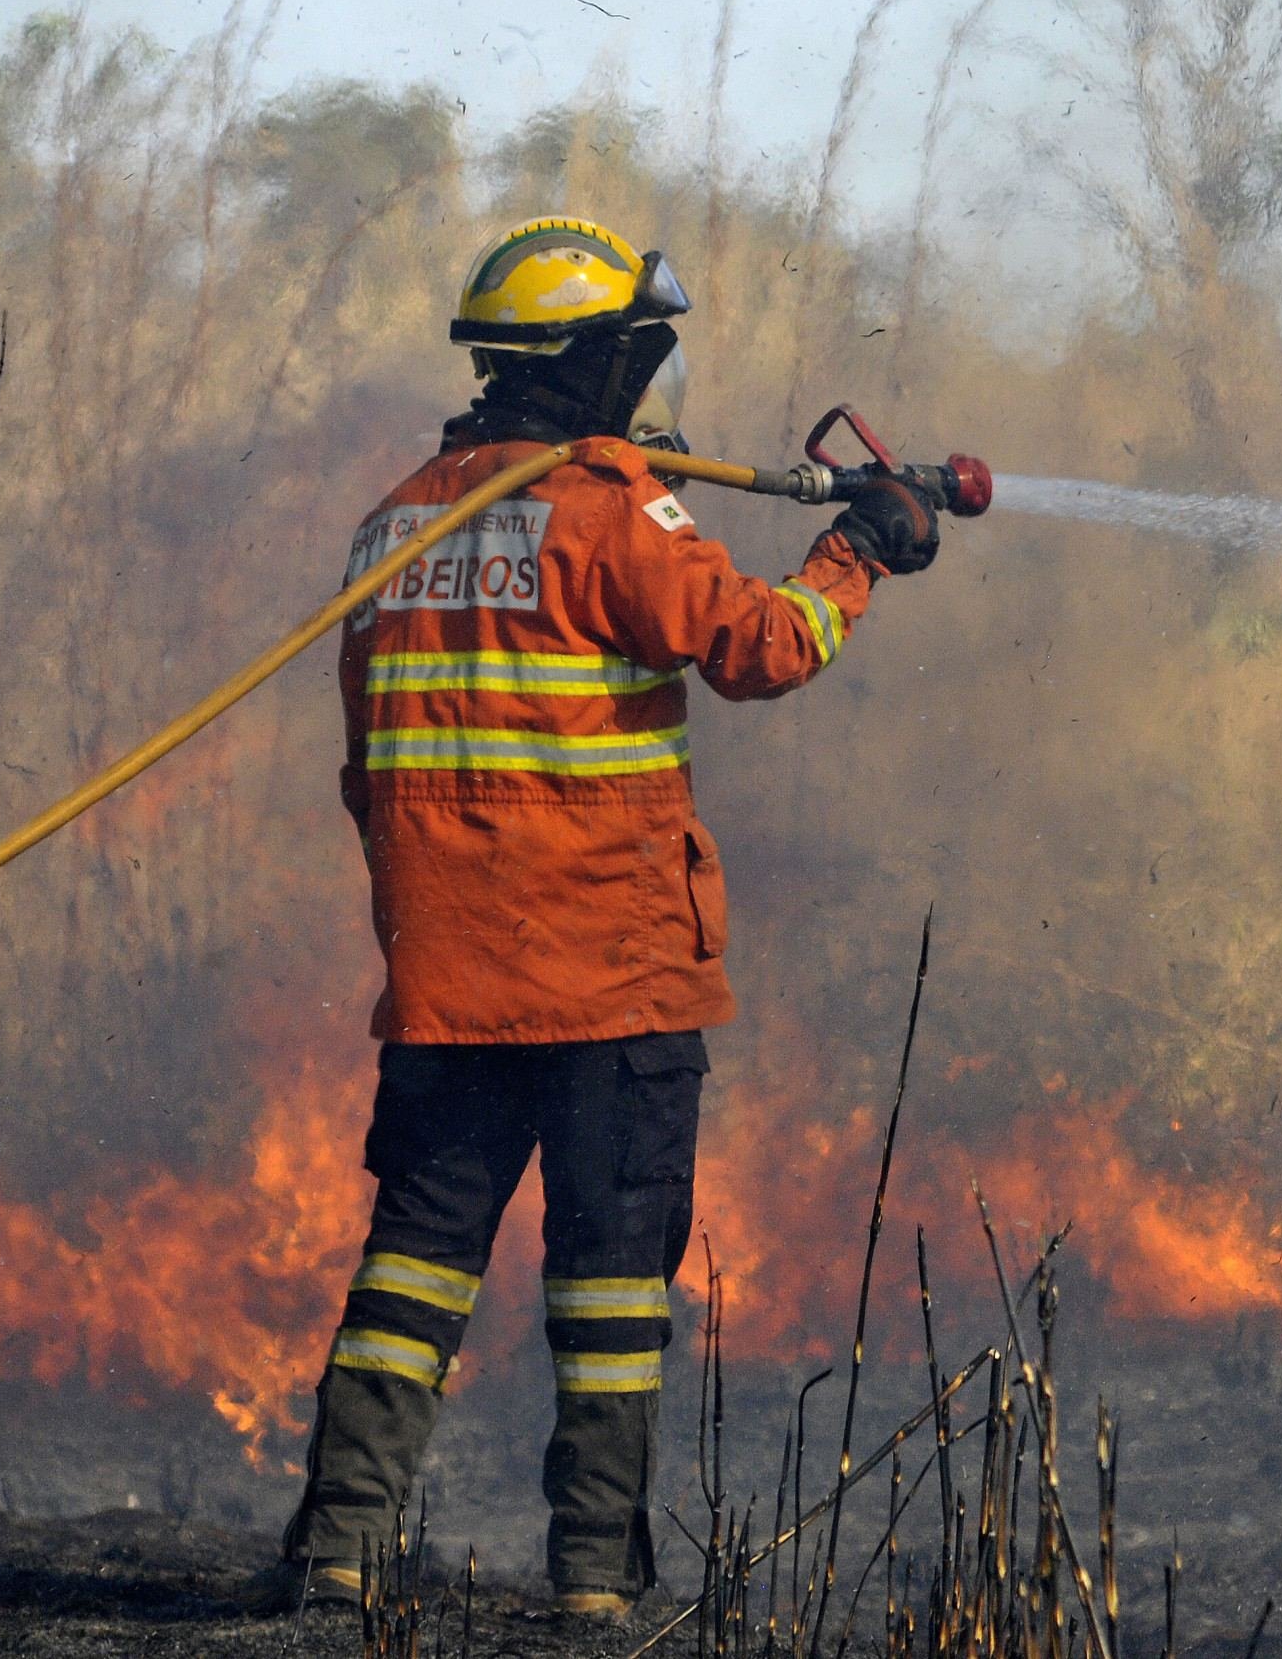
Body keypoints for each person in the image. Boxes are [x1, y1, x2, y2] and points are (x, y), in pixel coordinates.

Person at [264, 217, 946, 1618]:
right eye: (640, 355)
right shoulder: (610, 512)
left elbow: (366, 766)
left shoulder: (396, 524)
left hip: (448, 986)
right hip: (616, 985)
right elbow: (761, 647)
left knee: (415, 1256)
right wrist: (857, 547)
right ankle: (589, 1580)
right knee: (612, 1288)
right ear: (593, 363)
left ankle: (338, 1547)